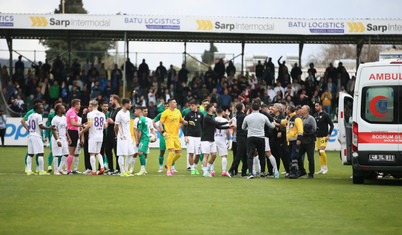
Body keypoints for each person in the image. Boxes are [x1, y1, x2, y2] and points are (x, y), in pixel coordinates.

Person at [242, 102, 275, 179]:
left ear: (251, 108)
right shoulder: (263, 117)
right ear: (259, 108)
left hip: (251, 137)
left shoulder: (248, 117)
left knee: (250, 155)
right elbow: (271, 126)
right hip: (260, 137)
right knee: (261, 155)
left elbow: (243, 127)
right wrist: (275, 124)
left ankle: (250, 173)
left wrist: (249, 128)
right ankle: (262, 172)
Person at [160, 98, 189, 176]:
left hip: (176, 136)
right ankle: (168, 170)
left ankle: (168, 164)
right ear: (170, 104)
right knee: (171, 151)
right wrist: (163, 132)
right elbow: (160, 123)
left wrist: (189, 122)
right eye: (174, 102)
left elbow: (182, 121)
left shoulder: (178, 112)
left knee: (179, 154)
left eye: (176, 102)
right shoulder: (165, 113)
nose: (176, 103)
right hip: (169, 135)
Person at [201, 104, 230, 177]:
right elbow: (217, 123)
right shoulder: (207, 117)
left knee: (214, 155)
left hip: (212, 140)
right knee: (206, 155)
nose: (215, 108)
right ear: (210, 109)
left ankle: (207, 168)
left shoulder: (211, 118)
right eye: (213, 107)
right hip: (205, 139)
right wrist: (227, 122)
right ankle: (205, 171)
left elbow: (218, 126)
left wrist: (229, 126)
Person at [274, 105, 303, 179]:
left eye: (286, 109)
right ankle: (294, 171)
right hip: (289, 141)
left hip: (295, 140)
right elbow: (282, 122)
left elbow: (300, 130)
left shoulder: (297, 119)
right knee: (290, 157)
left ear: (290, 110)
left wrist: (299, 139)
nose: (285, 110)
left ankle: (294, 172)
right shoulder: (288, 118)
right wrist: (273, 119)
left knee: (294, 156)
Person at [26, 104, 54, 175]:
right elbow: (41, 126)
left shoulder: (30, 116)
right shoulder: (39, 116)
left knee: (30, 154)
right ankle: (41, 171)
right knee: (41, 153)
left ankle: (29, 170)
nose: (42, 110)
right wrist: (49, 127)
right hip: (36, 136)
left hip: (30, 135)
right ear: (37, 109)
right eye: (41, 108)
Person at [81, 100, 107, 175]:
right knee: (98, 152)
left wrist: (82, 131)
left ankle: (94, 171)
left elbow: (89, 125)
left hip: (93, 136)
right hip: (100, 136)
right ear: (98, 106)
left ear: (91, 106)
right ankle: (102, 167)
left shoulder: (90, 114)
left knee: (92, 154)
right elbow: (105, 126)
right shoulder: (102, 114)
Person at [21, 99, 43, 173]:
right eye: (40, 104)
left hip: (38, 133)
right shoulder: (31, 112)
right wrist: (28, 129)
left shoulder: (39, 113)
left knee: (36, 152)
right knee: (31, 152)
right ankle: (27, 167)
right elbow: (22, 120)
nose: (41, 107)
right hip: (34, 134)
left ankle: (37, 167)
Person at [114, 98, 135, 177]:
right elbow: (116, 126)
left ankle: (126, 170)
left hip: (128, 136)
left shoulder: (128, 113)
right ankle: (122, 172)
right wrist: (117, 134)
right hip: (122, 137)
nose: (130, 105)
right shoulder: (119, 114)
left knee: (131, 153)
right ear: (125, 104)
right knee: (121, 154)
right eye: (129, 104)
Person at [184, 100, 203, 175]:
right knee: (191, 153)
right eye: (190, 106)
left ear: (196, 105)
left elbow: (203, 126)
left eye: (192, 105)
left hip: (198, 137)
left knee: (198, 154)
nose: (191, 107)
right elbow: (184, 126)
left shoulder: (201, 114)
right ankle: (192, 168)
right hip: (190, 137)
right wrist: (185, 136)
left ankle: (195, 167)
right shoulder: (188, 114)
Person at [228, 103, 248, 178]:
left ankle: (243, 172)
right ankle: (231, 170)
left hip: (239, 137)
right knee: (240, 154)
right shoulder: (243, 116)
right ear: (242, 107)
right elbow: (243, 127)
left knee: (242, 155)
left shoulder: (238, 116)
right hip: (242, 136)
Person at [314, 102, 334, 174]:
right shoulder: (315, 115)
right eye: (315, 106)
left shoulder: (325, 115)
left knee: (322, 151)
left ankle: (325, 167)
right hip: (317, 137)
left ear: (321, 106)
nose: (315, 107)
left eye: (317, 106)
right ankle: (322, 168)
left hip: (324, 136)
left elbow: (332, 125)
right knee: (319, 152)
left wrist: (328, 135)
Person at [299, 105, 317, 179]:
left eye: (302, 109)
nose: (301, 110)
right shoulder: (300, 118)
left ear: (306, 111)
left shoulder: (311, 118)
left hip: (309, 141)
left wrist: (305, 132)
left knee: (310, 158)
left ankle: (311, 173)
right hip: (302, 141)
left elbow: (314, 129)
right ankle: (302, 171)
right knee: (298, 156)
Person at [66, 99, 83, 174]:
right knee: (71, 151)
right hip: (72, 131)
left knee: (72, 152)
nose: (80, 106)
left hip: (73, 131)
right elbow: (73, 123)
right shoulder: (71, 112)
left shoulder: (71, 111)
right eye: (79, 104)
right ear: (75, 105)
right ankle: (68, 170)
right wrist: (81, 125)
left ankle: (69, 169)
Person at [105, 94, 122, 174]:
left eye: (111, 100)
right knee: (107, 150)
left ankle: (118, 169)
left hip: (117, 133)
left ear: (116, 101)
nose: (110, 102)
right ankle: (110, 168)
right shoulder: (111, 110)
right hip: (110, 133)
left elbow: (122, 123)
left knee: (117, 152)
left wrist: (113, 122)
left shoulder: (120, 111)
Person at [51, 104, 69, 175]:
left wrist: (68, 138)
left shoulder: (64, 118)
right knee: (56, 155)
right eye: (63, 108)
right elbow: (53, 130)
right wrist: (57, 140)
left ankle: (60, 168)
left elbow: (65, 128)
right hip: (57, 138)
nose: (64, 109)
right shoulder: (55, 119)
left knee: (66, 154)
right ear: (59, 110)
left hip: (64, 138)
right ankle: (55, 170)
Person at [45, 100, 62, 173]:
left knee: (61, 152)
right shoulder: (51, 115)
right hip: (53, 135)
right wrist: (46, 136)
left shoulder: (63, 116)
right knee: (52, 151)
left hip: (61, 136)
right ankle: (49, 165)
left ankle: (58, 167)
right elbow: (48, 125)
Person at [214, 108, 231, 176]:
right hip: (221, 139)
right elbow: (227, 131)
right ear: (223, 113)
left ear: (216, 113)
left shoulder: (213, 119)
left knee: (213, 155)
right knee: (224, 155)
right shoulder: (225, 120)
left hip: (214, 138)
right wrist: (229, 141)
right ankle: (223, 171)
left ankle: (212, 171)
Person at [134, 107, 151, 176]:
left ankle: (142, 169)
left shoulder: (140, 120)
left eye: (135, 111)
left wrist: (137, 140)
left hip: (144, 138)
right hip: (146, 138)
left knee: (140, 152)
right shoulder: (143, 119)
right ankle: (143, 169)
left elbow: (139, 131)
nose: (134, 113)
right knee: (141, 153)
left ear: (139, 111)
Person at [153, 103, 169, 172]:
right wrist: (159, 130)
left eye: (167, 106)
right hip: (163, 135)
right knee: (162, 152)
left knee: (172, 151)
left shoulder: (173, 114)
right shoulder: (161, 114)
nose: (166, 107)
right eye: (165, 106)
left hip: (171, 135)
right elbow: (153, 122)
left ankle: (172, 167)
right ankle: (161, 167)